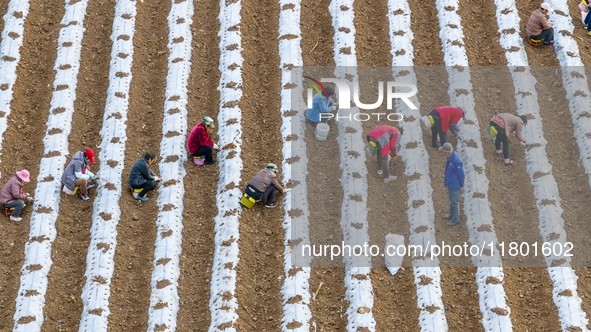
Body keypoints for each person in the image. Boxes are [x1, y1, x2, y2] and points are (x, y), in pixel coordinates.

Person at [440, 143, 465, 226]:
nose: (443, 154)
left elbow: (460, 173)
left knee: (454, 201)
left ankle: (456, 219)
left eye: (443, 152)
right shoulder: (450, 157)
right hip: (451, 183)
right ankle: (452, 214)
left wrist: (461, 184)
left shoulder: (455, 160)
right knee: (451, 200)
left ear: (447, 152)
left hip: (454, 184)